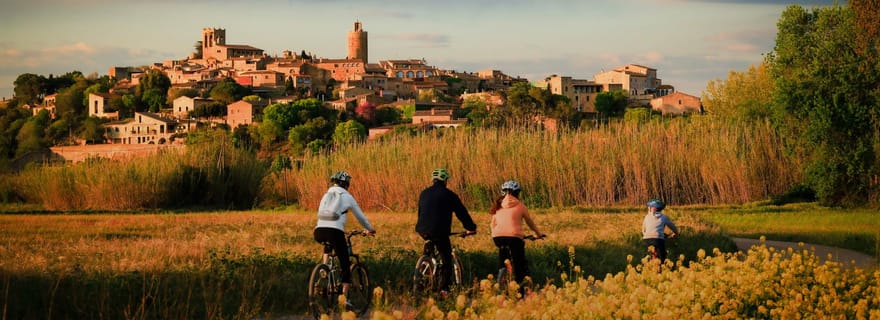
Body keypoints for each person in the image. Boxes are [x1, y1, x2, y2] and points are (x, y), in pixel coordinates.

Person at [314, 170, 376, 301]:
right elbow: (361, 218)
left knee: (328, 243)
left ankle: (324, 268)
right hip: (335, 231)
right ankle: (344, 298)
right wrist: (370, 229)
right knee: (345, 264)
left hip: (319, 231)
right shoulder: (347, 196)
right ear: (346, 184)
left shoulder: (326, 195)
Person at [415, 168, 477, 295]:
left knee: (430, 248)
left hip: (422, 229)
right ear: (445, 181)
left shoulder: (424, 193)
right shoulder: (450, 195)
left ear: (433, 180)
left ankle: (423, 277)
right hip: (440, 231)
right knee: (446, 259)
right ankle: (443, 289)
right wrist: (471, 228)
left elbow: (421, 212)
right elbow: (462, 213)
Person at [490, 180, 545, 284]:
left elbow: (492, 224)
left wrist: (496, 233)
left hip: (497, 238)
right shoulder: (520, 206)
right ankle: (520, 287)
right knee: (519, 262)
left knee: (503, 257)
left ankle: (501, 274)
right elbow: (530, 223)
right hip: (514, 237)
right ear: (517, 193)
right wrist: (539, 234)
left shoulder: (498, 206)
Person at [642, 199, 679, 264]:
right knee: (662, 256)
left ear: (652, 208)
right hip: (658, 239)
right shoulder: (663, 217)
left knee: (647, 256)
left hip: (646, 239)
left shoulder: (646, 217)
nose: (648, 209)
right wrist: (676, 233)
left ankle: (648, 267)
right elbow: (673, 226)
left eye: (649, 207)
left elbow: (643, 230)